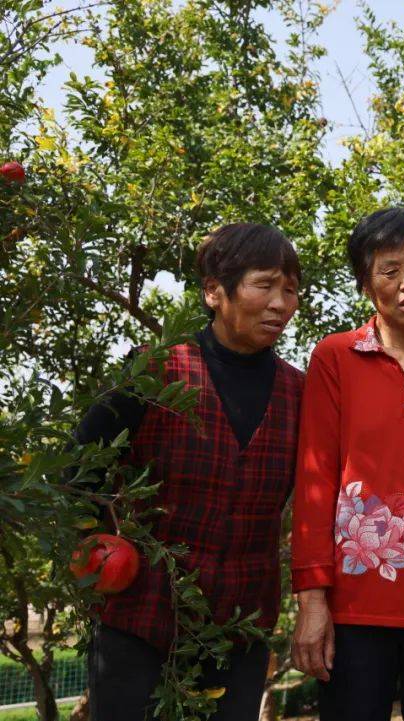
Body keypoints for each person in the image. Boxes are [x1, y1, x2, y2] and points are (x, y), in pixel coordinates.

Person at [79, 223, 305, 721]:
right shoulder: (153, 371)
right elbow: (80, 470)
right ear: (213, 291)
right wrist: (97, 552)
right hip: (138, 623)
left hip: (240, 632)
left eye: (290, 290)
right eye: (264, 285)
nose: (281, 304)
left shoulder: (300, 392)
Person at [290, 208, 404, 721]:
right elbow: (315, 481)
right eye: (389, 271)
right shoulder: (335, 358)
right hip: (354, 610)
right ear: (366, 285)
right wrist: (312, 601)